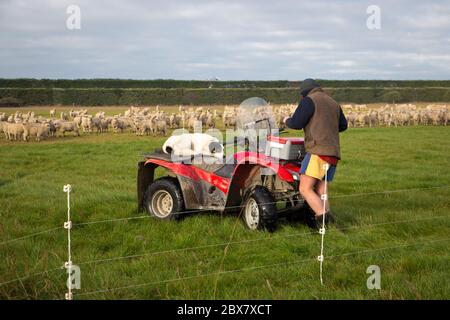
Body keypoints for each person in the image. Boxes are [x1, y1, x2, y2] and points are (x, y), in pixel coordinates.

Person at [284, 78, 347, 228]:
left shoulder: (308, 100)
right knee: (321, 189)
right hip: (333, 153)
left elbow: (297, 123)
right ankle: (329, 226)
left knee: (305, 188)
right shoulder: (333, 102)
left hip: (318, 151)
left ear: (303, 94)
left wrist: (287, 120)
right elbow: (343, 126)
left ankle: (325, 220)